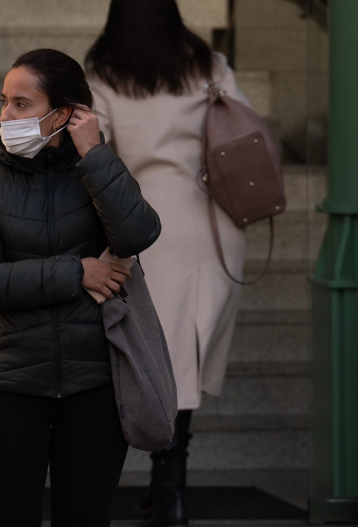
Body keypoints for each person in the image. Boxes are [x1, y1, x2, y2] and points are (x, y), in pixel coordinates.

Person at [0, 48, 161, 526]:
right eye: (4, 101)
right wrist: (77, 272)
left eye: (22, 103)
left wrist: (95, 153)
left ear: (63, 113)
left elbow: (138, 235)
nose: (6, 114)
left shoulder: (96, 171)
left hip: (95, 392)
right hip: (11, 390)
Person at [84, 1, 250, 526]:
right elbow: (244, 130)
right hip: (214, 220)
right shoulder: (208, 65)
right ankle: (170, 489)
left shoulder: (104, 72)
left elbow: (93, 149)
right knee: (182, 357)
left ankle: (161, 489)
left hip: (141, 221)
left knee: (155, 356)